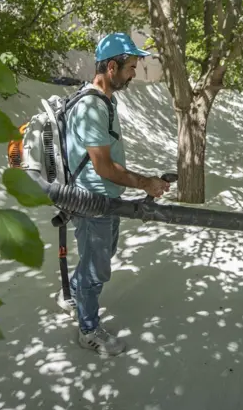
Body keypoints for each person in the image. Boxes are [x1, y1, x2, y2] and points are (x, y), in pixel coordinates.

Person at [57, 32, 171, 356]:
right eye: (131, 66)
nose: (135, 72)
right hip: (93, 202)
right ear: (111, 67)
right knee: (96, 270)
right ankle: (88, 330)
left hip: (107, 199)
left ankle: (76, 296)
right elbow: (104, 167)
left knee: (101, 259)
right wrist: (145, 182)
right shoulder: (92, 106)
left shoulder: (106, 99)